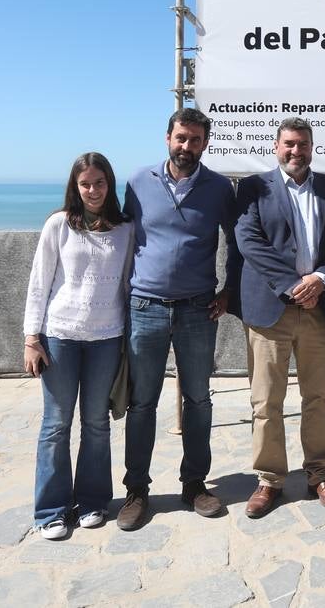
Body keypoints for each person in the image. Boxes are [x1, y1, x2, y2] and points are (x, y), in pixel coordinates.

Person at [116, 108, 239, 530]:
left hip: (197, 309)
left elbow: (237, 243)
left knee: (199, 401)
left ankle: (195, 484)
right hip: (145, 307)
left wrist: (228, 292)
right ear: (167, 137)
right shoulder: (137, 182)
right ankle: (136, 490)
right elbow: (119, 236)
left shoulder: (220, 188)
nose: (187, 147)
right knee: (142, 403)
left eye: (195, 140)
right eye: (181, 138)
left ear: (206, 143)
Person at [234, 117, 325, 518]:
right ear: (276, 146)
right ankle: (269, 480)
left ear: (312, 146)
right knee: (266, 400)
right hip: (271, 311)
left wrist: (320, 279)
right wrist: (292, 284)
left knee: (318, 397)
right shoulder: (252, 187)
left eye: (302, 144)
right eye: (288, 144)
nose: (295, 151)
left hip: (318, 309)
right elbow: (248, 240)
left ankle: (321, 474)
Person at [23, 152, 133, 540]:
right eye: (85, 183)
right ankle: (51, 509)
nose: (92, 190)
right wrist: (31, 338)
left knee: (96, 424)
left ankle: (92, 502)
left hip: (107, 337)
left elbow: (125, 283)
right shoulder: (58, 225)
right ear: (75, 186)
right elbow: (40, 282)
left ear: (110, 184)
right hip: (60, 337)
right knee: (55, 424)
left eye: (99, 183)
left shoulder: (124, 228)